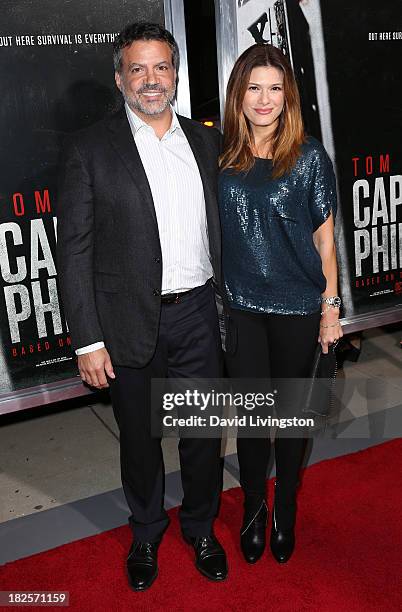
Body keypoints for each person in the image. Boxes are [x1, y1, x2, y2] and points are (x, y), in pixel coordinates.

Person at [57, 22, 227, 591]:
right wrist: (87, 339)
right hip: (127, 320)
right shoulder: (90, 148)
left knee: (203, 434)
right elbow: (75, 249)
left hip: (198, 312)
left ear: (175, 73)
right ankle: (147, 530)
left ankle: (201, 526)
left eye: (161, 68)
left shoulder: (205, 140)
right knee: (140, 437)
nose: (150, 80)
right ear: (120, 78)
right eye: (138, 69)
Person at [219, 43, 343, 565]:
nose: (264, 99)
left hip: (297, 308)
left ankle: (284, 507)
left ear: (287, 95)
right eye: (254, 88)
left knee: (292, 423)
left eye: (274, 88)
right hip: (242, 308)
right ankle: (253, 507)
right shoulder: (221, 154)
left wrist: (331, 309)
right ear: (238, 94)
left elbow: (325, 242)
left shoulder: (309, 156)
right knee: (251, 422)